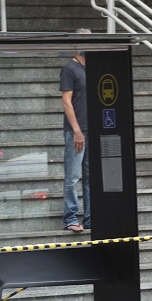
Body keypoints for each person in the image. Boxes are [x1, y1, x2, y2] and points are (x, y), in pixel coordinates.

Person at [61, 29, 91, 233]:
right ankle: (70, 217)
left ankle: (90, 218)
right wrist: (77, 130)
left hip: (92, 130)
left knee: (90, 177)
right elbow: (66, 101)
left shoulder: (93, 67)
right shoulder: (69, 68)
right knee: (72, 176)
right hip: (76, 131)